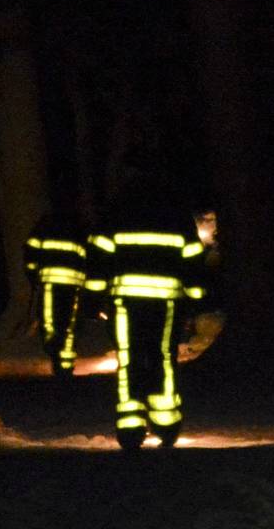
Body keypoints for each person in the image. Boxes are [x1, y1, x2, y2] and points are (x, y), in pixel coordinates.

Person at [86, 171, 207, 450]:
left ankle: (130, 425)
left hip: (124, 300)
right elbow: (192, 257)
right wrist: (196, 294)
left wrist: (92, 298)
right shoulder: (175, 213)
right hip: (166, 302)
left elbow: (99, 255)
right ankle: (166, 423)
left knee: (128, 358)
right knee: (163, 356)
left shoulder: (116, 211)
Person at [23, 210, 91, 377]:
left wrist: (32, 274)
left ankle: (55, 353)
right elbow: (89, 256)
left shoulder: (44, 225)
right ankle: (65, 364)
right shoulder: (80, 227)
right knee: (69, 325)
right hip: (73, 284)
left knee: (49, 321)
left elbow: (30, 249)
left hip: (49, 282)